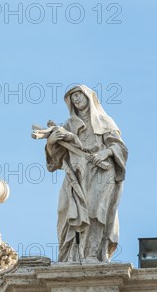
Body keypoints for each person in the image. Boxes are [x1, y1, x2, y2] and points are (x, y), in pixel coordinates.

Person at [45, 85, 127, 262]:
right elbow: (56, 160)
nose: (76, 99)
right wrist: (51, 142)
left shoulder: (104, 120)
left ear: (88, 97)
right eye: (72, 97)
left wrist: (105, 153)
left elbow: (119, 146)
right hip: (77, 174)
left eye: (78, 95)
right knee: (68, 211)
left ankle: (92, 254)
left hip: (102, 171)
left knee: (97, 211)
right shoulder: (68, 126)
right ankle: (73, 256)